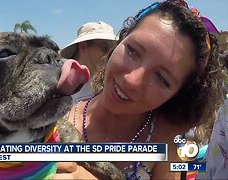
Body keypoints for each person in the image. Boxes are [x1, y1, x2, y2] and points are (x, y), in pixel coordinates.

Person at [54, 0, 226, 179]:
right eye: (132, 51)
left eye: (161, 78)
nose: (131, 80)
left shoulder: (167, 145)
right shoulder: (52, 117)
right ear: (121, 40)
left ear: (178, 94)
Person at [60, 21, 117, 103]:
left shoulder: (114, 85)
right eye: (105, 47)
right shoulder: (61, 85)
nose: (111, 54)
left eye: (114, 49)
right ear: (83, 46)